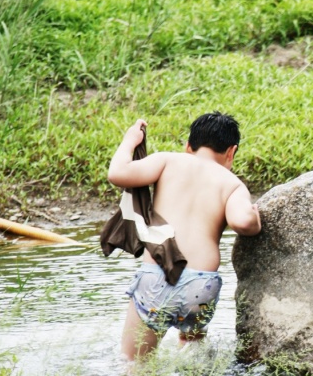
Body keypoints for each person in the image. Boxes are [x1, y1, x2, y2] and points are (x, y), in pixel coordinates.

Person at [107, 112, 261, 360]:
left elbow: (118, 173)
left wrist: (130, 140)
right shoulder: (232, 184)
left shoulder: (168, 161)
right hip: (201, 286)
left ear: (189, 146)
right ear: (231, 151)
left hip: (158, 276)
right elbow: (242, 222)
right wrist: (255, 216)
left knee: (134, 363)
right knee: (193, 360)